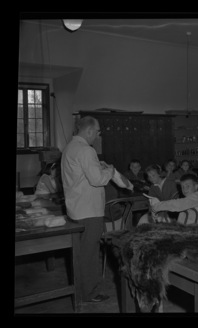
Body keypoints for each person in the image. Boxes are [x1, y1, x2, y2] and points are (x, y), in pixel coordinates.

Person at [61, 116, 115, 303]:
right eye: (98, 131)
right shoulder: (86, 150)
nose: (98, 135)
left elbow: (83, 175)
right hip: (89, 211)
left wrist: (97, 168)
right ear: (89, 131)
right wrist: (110, 170)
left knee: (81, 253)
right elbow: (97, 180)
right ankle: (89, 293)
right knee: (90, 254)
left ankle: (81, 290)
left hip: (76, 209)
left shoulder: (70, 147)